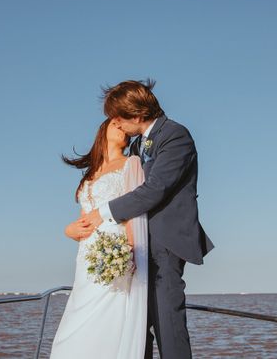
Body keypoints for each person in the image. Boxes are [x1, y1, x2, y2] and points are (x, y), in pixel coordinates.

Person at [80, 79, 214, 359]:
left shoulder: (176, 136)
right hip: (137, 246)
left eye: (118, 117)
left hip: (164, 245)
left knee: (168, 325)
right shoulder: (138, 145)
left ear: (138, 114)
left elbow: (155, 190)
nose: (115, 124)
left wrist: (102, 213)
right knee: (136, 328)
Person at [50, 119, 149, 358]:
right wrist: (68, 231)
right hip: (87, 258)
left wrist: (130, 255)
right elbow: (83, 220)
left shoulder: (131, 164)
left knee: (107, 319)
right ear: (103, 129)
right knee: (77, 318)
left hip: (115, 254)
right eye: (116, 122)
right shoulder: (90, 174)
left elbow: (135, 215)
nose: (122, 126)